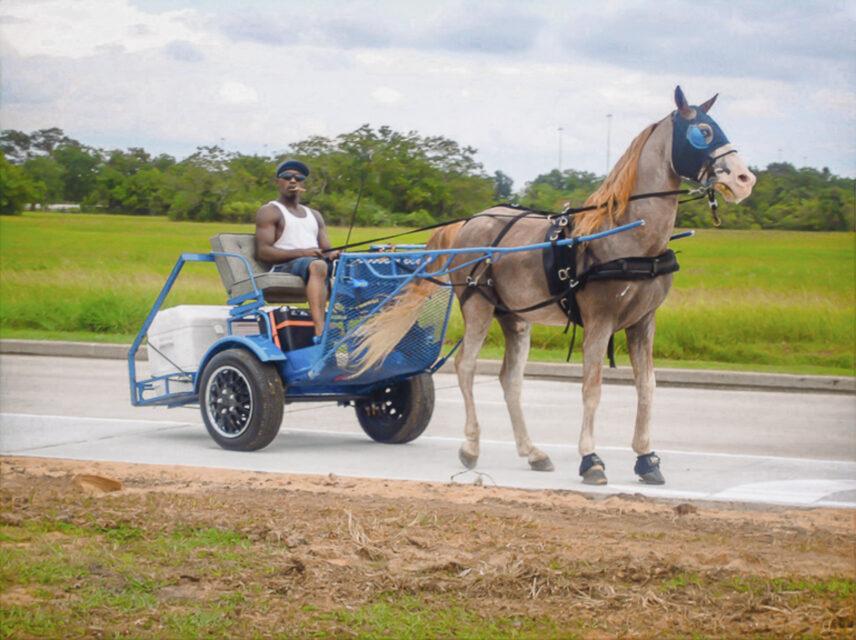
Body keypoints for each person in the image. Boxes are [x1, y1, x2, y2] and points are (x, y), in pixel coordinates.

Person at [255, 160, 340, 337]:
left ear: (303, 184)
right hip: (285, 265)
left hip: (312, 263)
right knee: (318, 265)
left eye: (298, 178)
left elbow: (327, 249)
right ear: (278, 182)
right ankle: (320, 328)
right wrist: (304, 252)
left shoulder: (314, 215)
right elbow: (263, 252)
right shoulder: (270, 211)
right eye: (287, 177)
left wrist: (334, 254)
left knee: (355, 266)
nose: (293, 181)